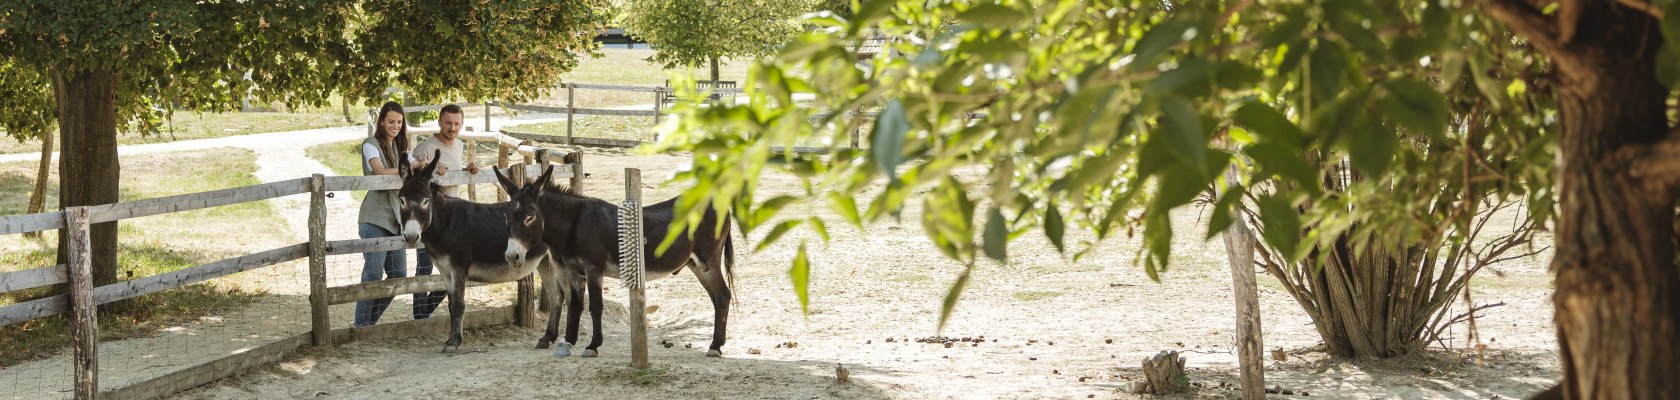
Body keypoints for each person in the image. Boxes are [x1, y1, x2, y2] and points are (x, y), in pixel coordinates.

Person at [408, 104, 480, 319]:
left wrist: (468, 171)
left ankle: (426, 309)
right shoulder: (425, 149)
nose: (452, 127)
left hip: (454, 221)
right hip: (429, 220)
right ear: (439, 121)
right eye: (448, 122)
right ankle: (419, 315)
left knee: (457, 268)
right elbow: (415, 180)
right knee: (425, 266)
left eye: (457, 123)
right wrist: (428, 171)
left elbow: (453, 172)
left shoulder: (458, 145)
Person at [354, 101, 415, 327]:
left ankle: (367, 323)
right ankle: (361, 328)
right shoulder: (370, 144)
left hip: (395, 220)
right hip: (374, 217)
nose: (395, 126)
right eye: (391, 121)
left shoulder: (400, 149)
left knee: (398, 275)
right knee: (372, 273)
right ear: (381, 121)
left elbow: (416, 166)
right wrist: (410, 169)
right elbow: (379, 171)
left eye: (399, 122)